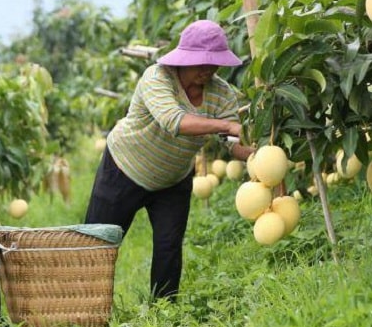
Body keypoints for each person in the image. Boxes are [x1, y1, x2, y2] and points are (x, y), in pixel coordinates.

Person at [84, 19, 255, 301]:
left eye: (214, 63)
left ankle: (164, 311)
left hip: (172, 180)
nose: (208, 69)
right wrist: (226, 126)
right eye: (201, 62)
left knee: (168, 246)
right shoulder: (157, 77)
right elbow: (173, 120)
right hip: (123, 169)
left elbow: (232, 144)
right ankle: (85, 310)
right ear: (184, 57)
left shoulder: (221, 93)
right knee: (98, 244)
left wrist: (256, 155)